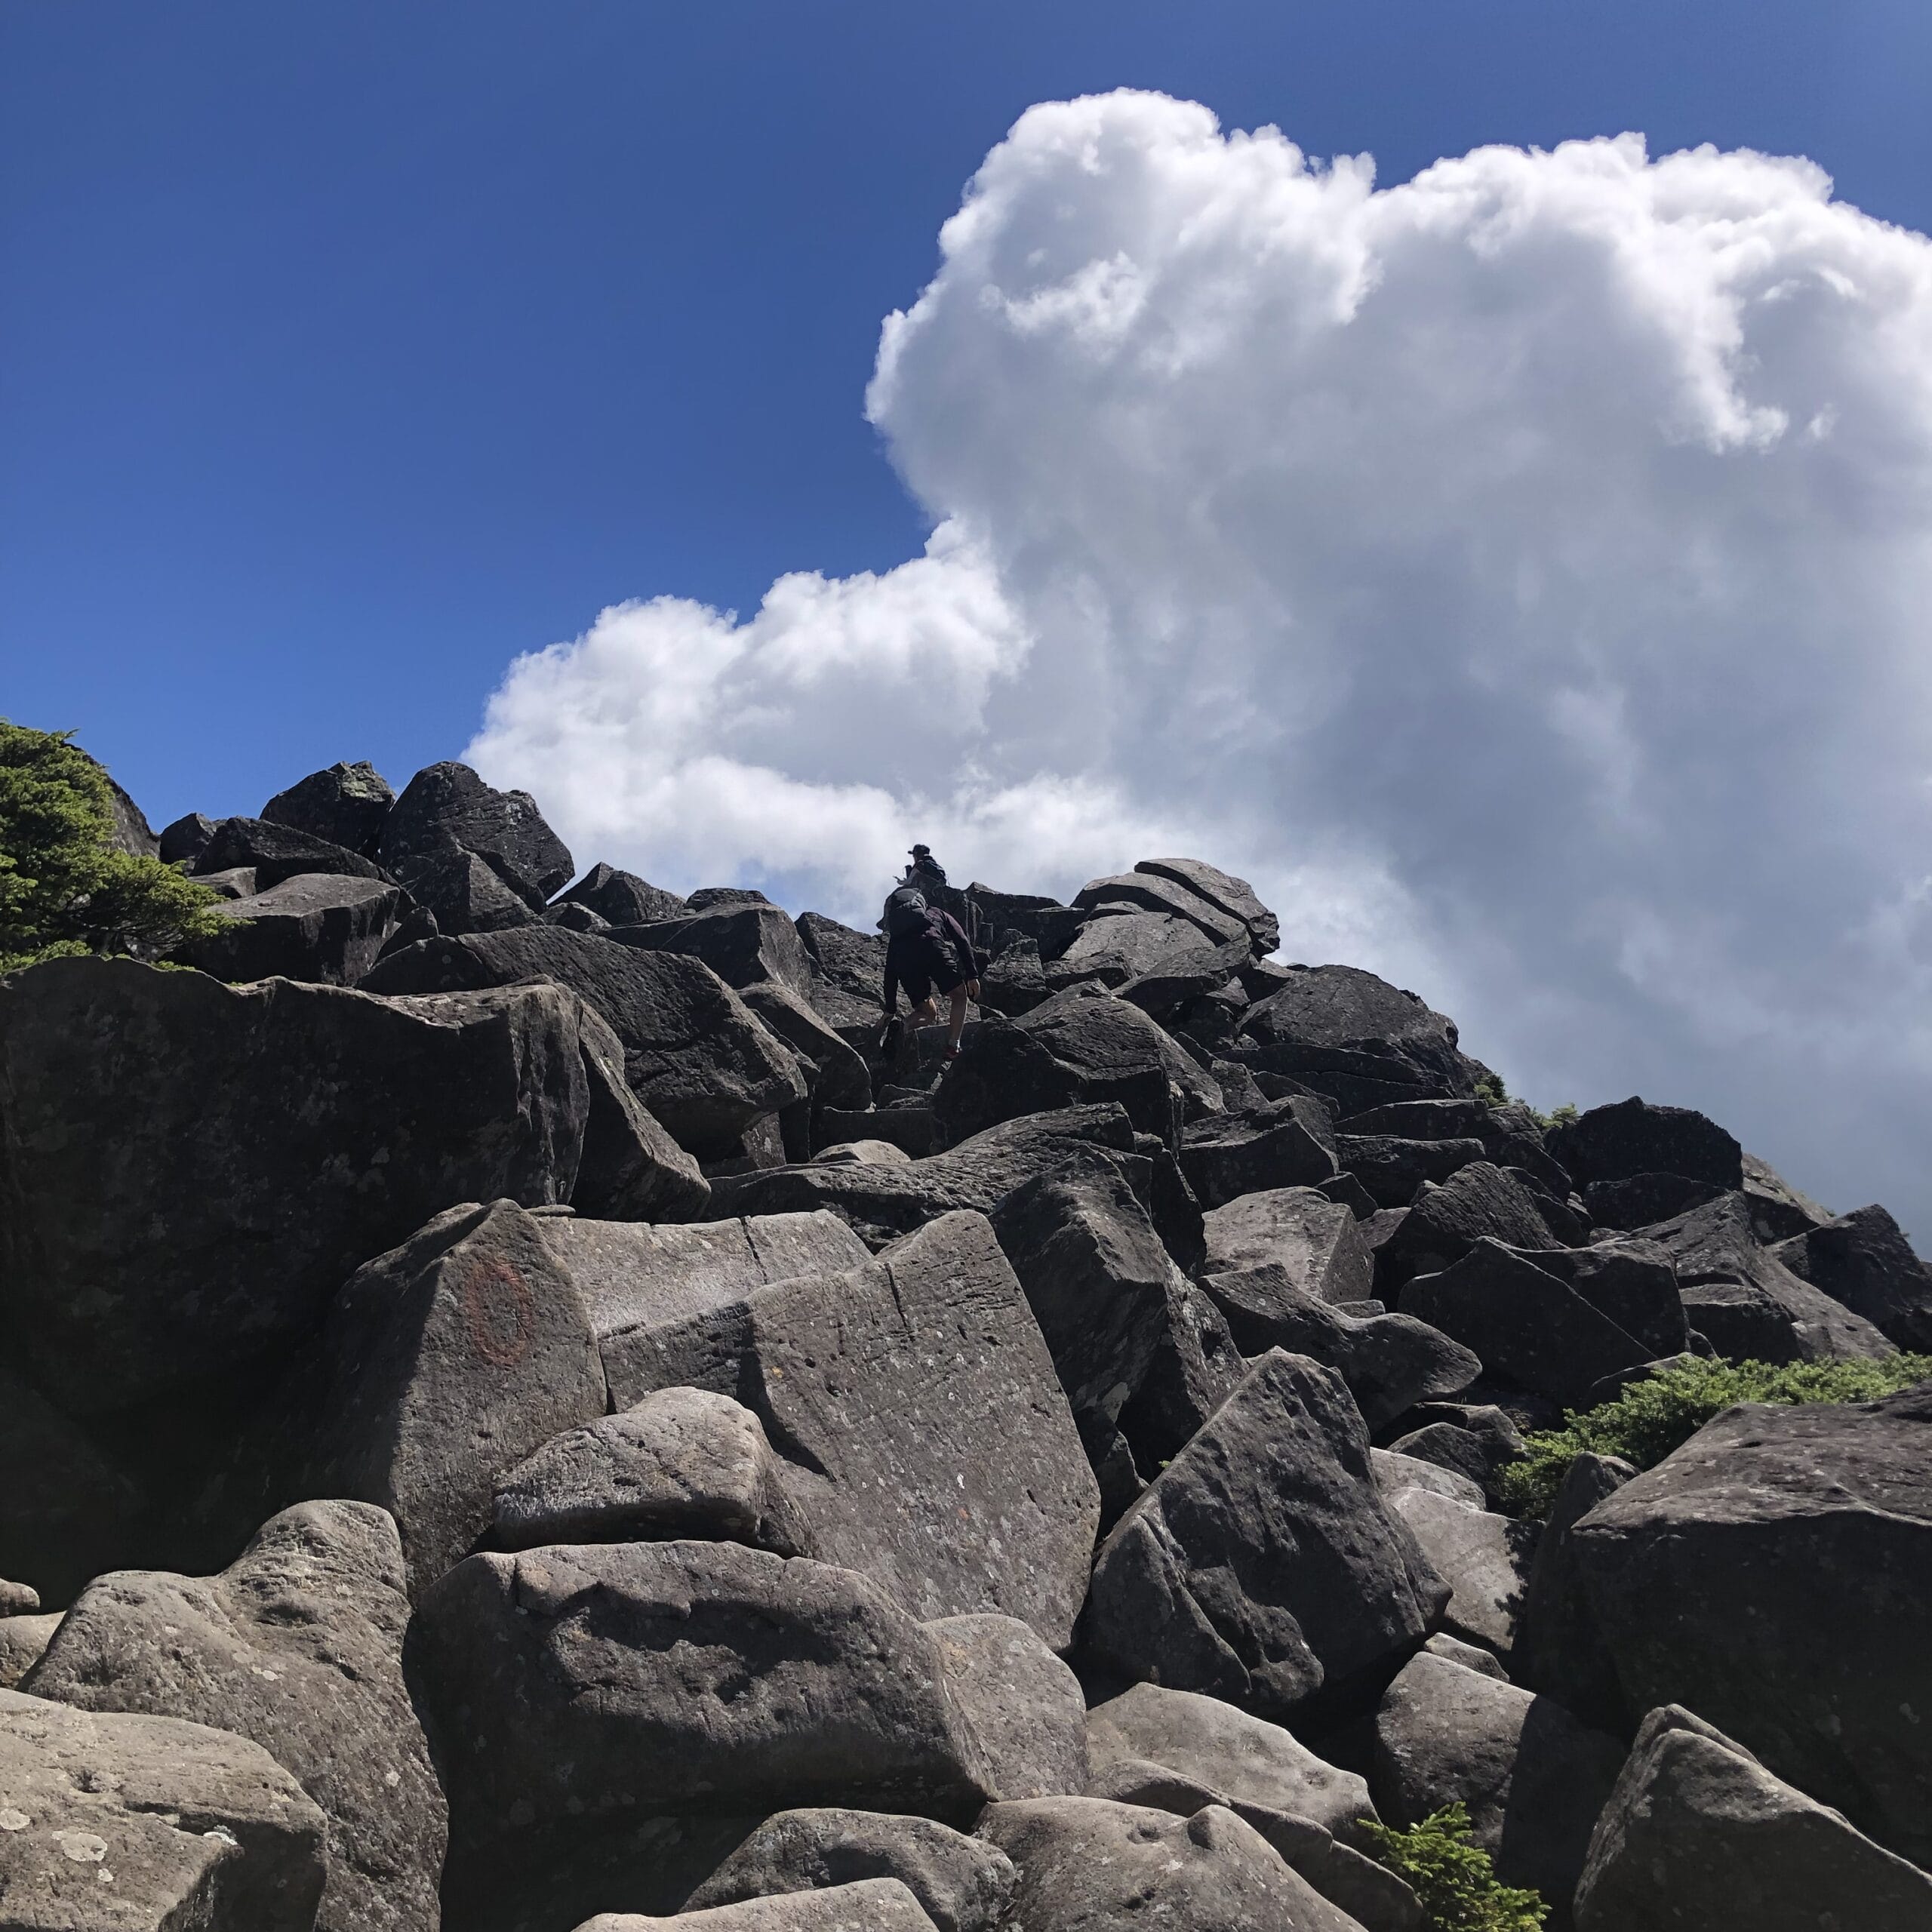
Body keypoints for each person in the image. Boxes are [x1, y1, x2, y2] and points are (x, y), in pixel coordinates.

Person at [881, 883, 980, 1058]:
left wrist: (890, 1008)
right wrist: (972, 975)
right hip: (932, 947)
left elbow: (890, 971)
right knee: (959, 995)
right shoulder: (935, 913)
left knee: (927, 1013)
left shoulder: (896, 936)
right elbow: (962, 939)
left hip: (904, 959)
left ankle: (904, 1026)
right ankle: (953, 1046)